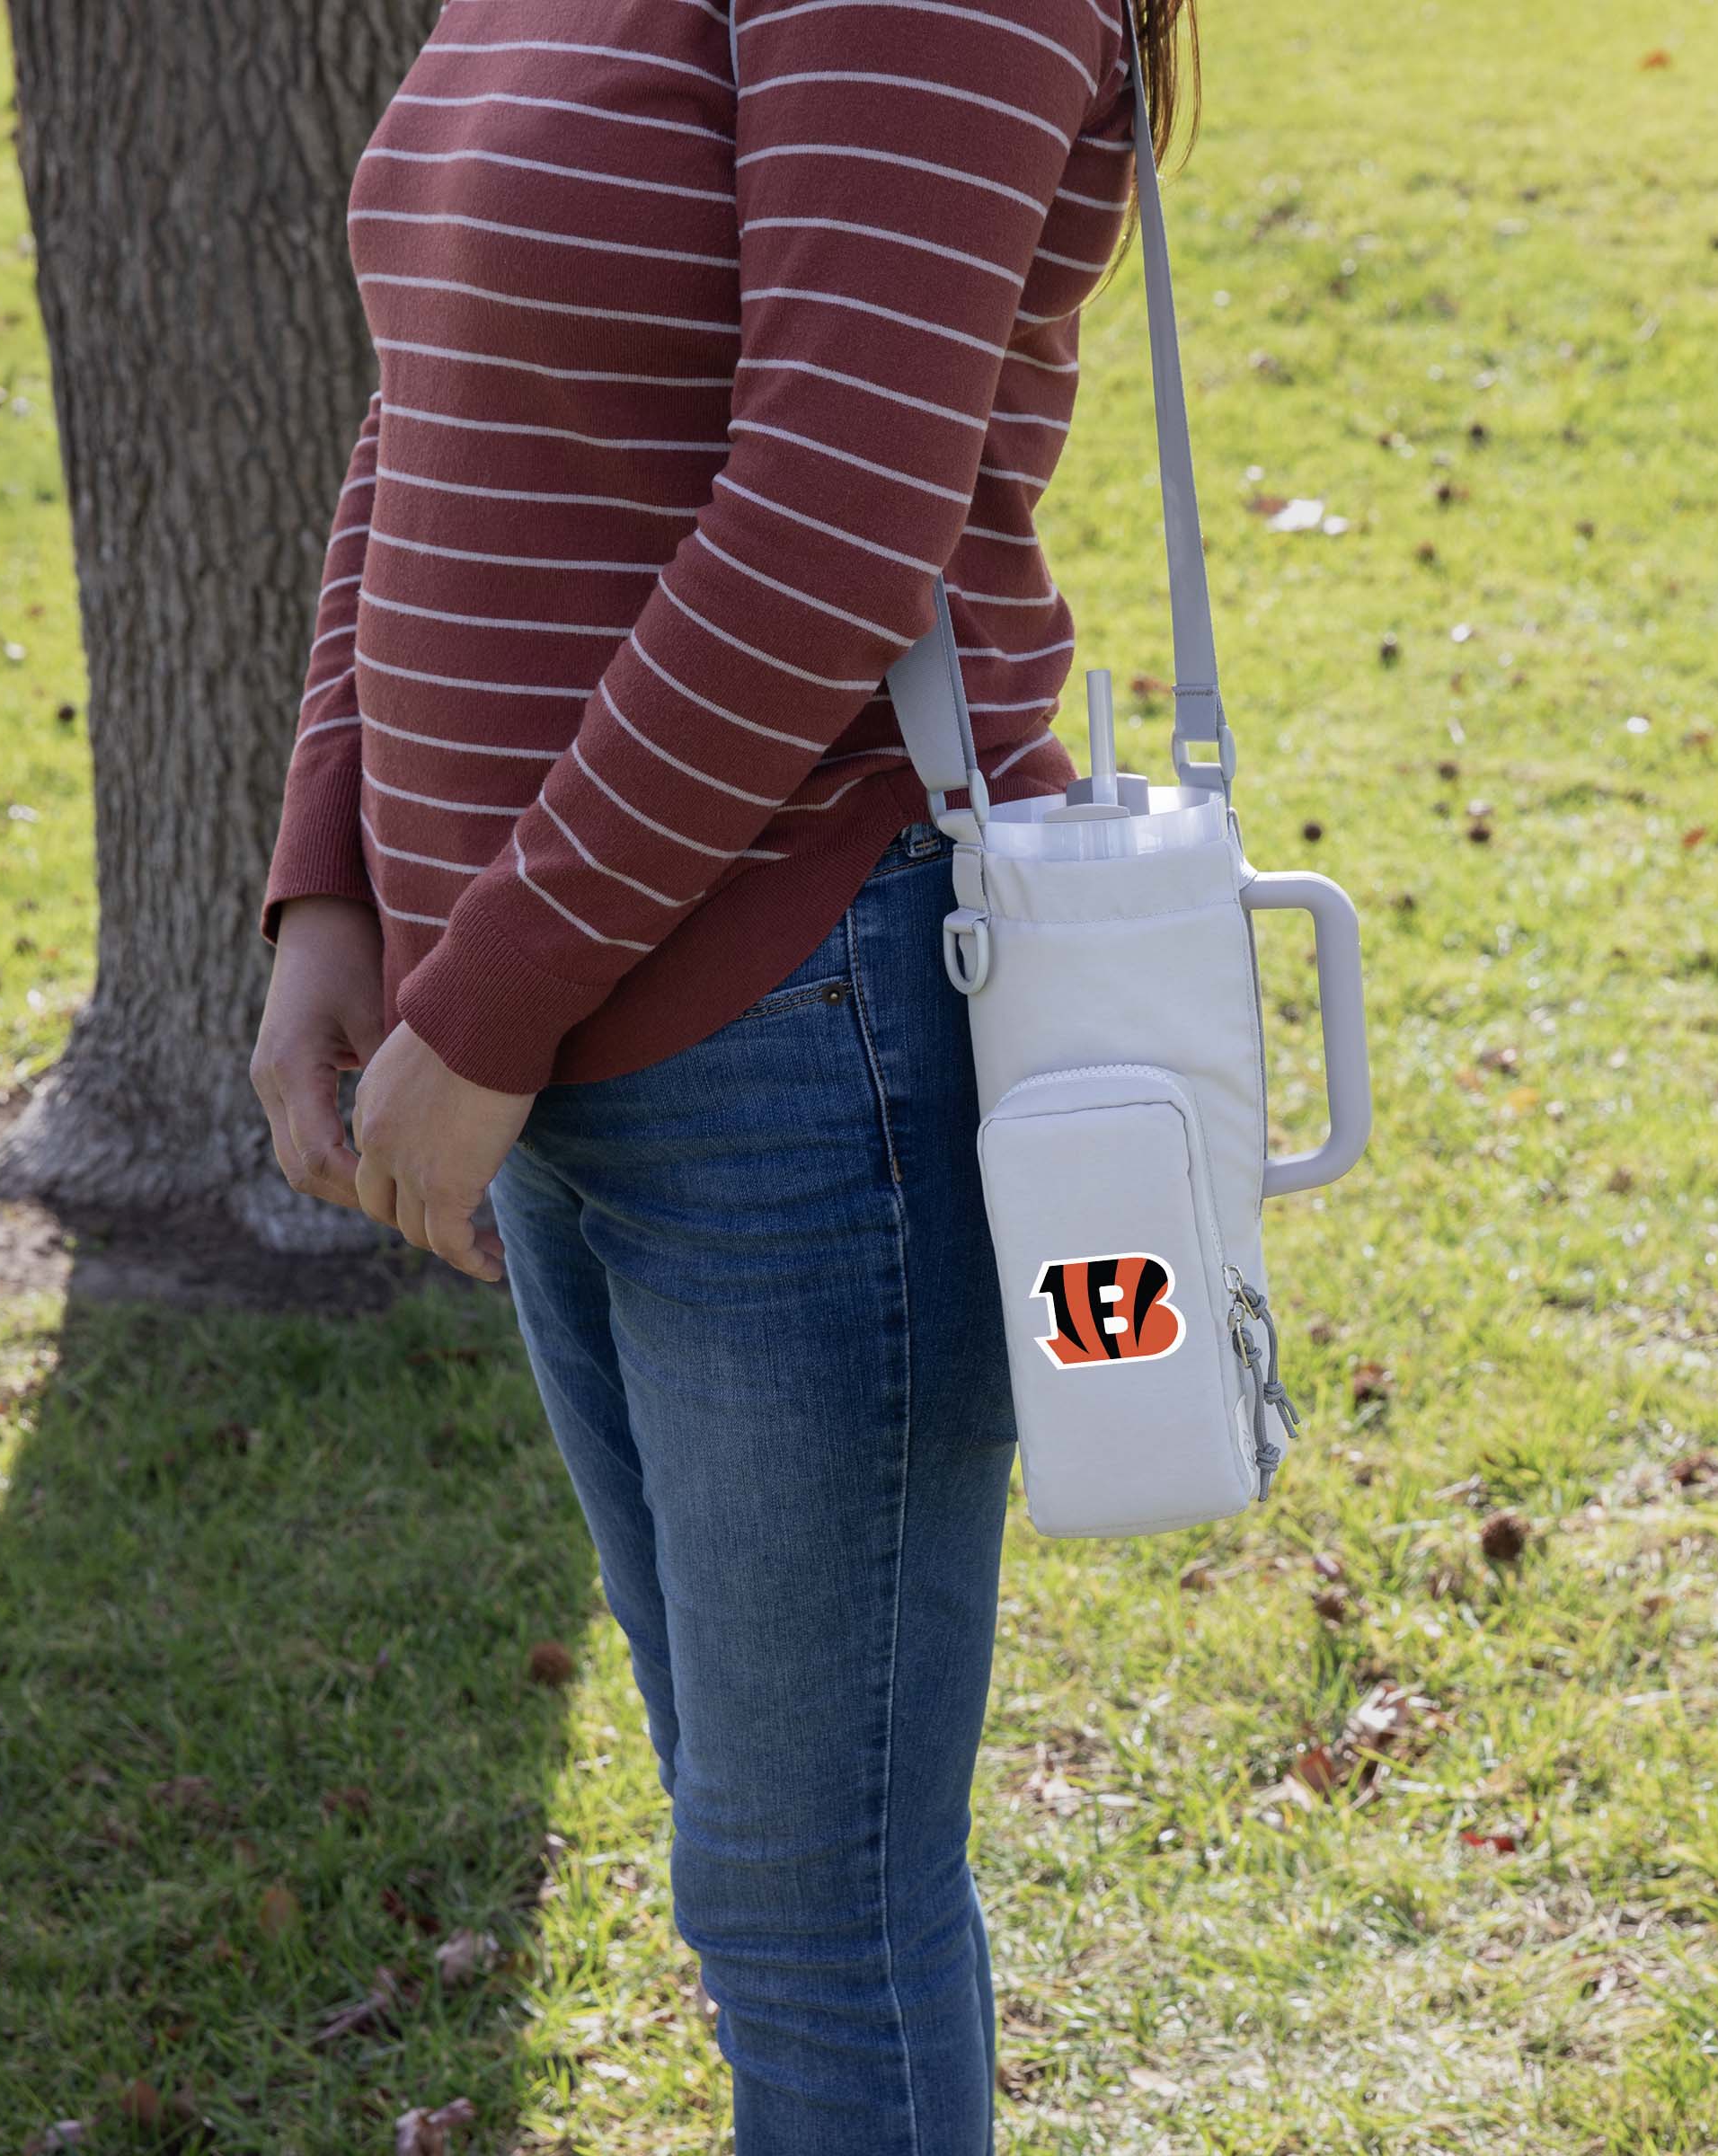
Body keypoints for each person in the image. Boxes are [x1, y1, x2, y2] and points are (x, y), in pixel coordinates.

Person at [245, 1, 1194, 2147]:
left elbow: (838, 515)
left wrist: (486, 1002)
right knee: (765, 1867)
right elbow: (428, 417)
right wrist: (335, 886)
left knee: (809, 1909)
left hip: (792, 1020)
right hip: (552, 1027)